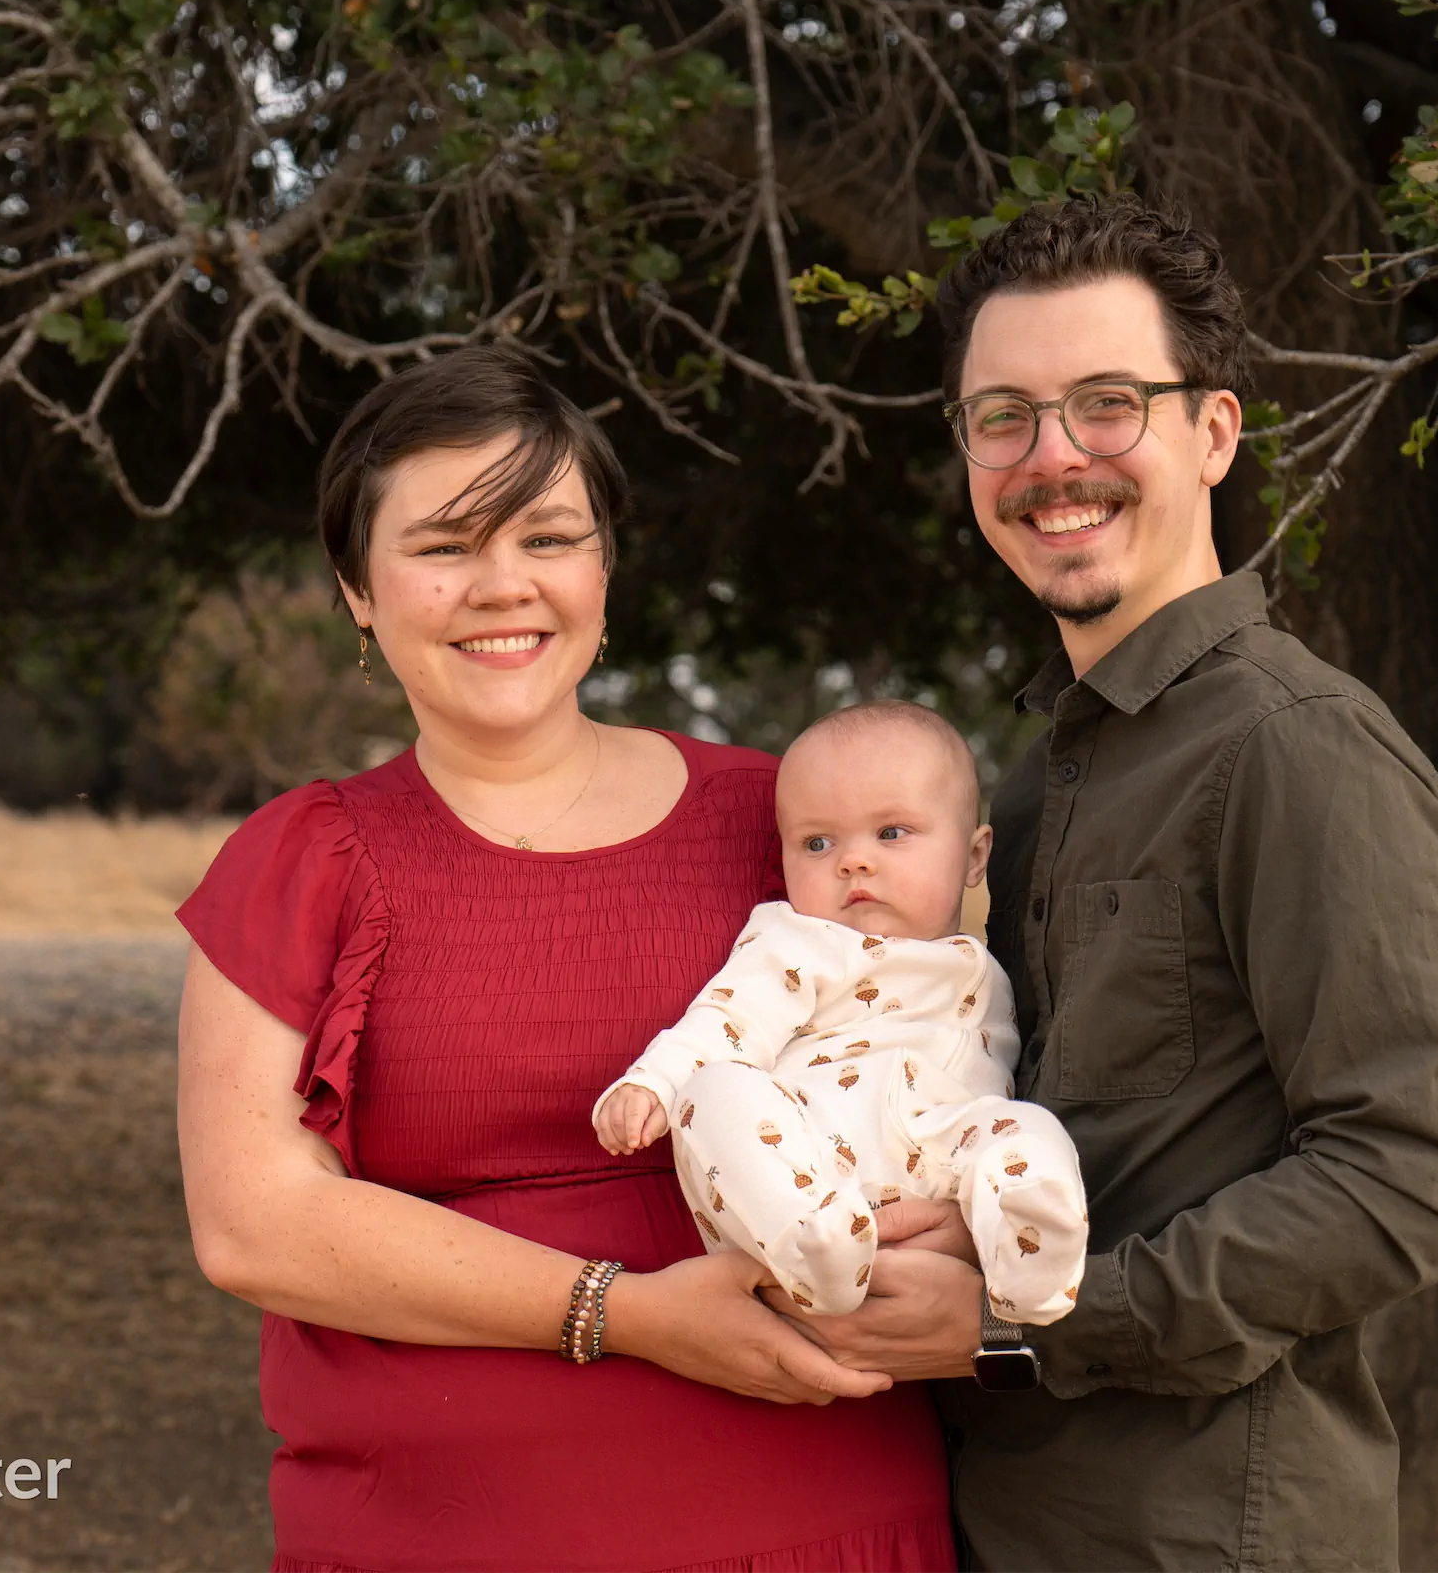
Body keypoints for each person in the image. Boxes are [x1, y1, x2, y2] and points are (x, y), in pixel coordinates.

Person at [777, 196, 1438, 1571]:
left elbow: (1403, 1183)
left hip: (1207, 1532)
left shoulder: (1299, 750)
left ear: (1212, 433)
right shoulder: (1029, 787)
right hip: (1001, 1516)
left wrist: (1026, 1318)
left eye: (1108, 404)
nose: (1054, 459)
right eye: (1004, 417)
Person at [174, 344, 957, 1573]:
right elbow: (253, 1224)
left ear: (603, 568)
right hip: (431, 1545)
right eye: (444, 546)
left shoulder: (790, 824)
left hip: (819, 1526)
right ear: (358, 588)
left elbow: (947, 1065)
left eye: (547, 537)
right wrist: (626, 1313)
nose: (504, 586)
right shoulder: (301, 859)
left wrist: (961, 1262)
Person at [593, 700, 1088, 1324]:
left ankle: (1033, 1263)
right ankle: (812, 1243)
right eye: (817, 843)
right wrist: (656, 1082)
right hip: (809, 1155)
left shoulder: (991, 960)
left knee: (1025, 1130)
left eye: (891, 833)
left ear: (973, 857)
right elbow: (731, 1018)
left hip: (945, 1145)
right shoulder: (796, 940)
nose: (853, 861)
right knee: (713, 1090)